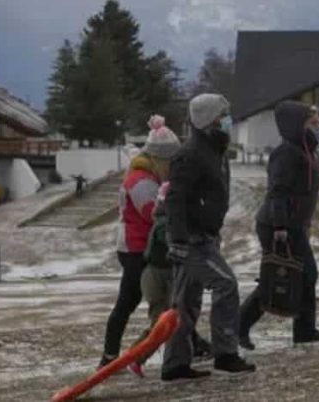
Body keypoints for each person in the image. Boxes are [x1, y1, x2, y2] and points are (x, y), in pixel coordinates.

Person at [162, 93, 255, 382]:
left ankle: (175, 365)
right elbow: (175, 199)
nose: (227, 120)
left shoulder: (214, 149)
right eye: (222, 116)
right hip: (192, 240)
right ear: (209, 121)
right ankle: (226, 354)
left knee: (186, 302)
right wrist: (178, 240)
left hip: (205, 236)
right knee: (225, 284)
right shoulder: (190, 153)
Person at [239, 100, 319, 350]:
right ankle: (238, 326)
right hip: (277, 225)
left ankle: (305, 330)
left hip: (294, 225)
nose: (317, 124)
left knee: (303, 275)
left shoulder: (306, 149)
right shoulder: (286, 152)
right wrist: (281, 227)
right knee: (282, 275)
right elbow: (278, 191)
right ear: (296, 125)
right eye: (312, 121)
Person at [98, 115, 181, 368]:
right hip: (136, 249)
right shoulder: (140, 179)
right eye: (170, 161)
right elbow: (152, 211)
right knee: (137, 300)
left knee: (168, 298)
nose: (172, 166)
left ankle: (114, 356)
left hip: (145, 246)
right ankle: (113, 356)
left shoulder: (151, 174)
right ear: (159, 158)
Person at [126, 182, 212, 377]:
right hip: (158, 277)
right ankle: (137, 357)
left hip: (160, 275)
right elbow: (171, 240)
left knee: (170, 320)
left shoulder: (166, 219)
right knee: (164, 323)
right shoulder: (166, 222)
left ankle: (139, 358)